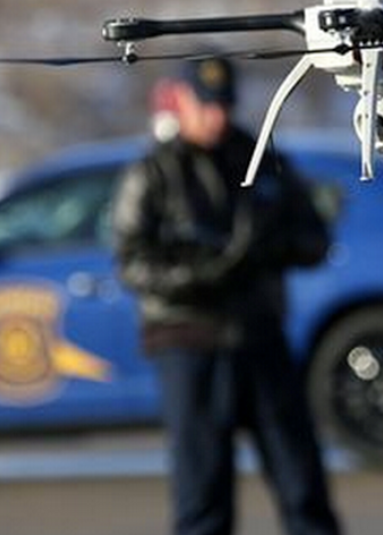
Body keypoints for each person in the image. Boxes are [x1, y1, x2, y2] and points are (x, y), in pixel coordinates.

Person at [112, 56, 343, 535]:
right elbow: (133, 263)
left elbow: (314, 239)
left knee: (302, 484)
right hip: (188, 343)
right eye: (206, 105)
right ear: (183, 103)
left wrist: (272, 246)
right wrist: (207, 269)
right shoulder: (154, 172)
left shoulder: (261, 159)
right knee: (203, 498)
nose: (216, 116)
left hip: (259, 337)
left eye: (225, 105)